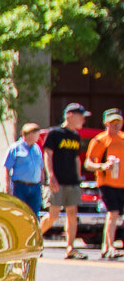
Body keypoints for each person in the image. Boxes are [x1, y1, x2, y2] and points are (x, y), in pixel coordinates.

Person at [41, 103, 89, 258]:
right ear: (70, 115)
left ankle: (70, 248)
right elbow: (48, 154)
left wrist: (78, 179)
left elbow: (76, 159)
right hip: (57, 180)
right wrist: (51, 176)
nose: (83, 120)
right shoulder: (55, 133)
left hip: (72, 181)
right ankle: (34, 238)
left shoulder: (75, 135)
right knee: (53, 214)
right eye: (81, 116)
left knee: (72, 213)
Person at [87, 107, 124, 259]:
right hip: (107, 182)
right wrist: (102, 166)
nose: (116, 125)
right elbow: (88, 163)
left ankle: (106, 246)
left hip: (122, 183)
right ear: (106, 123)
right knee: (113, 212)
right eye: (113, 122)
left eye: (119, 122)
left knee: (115, 214)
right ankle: (110, 246)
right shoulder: (99, 140)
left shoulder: (122, 138)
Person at [1, 122, 46, 216]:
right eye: (36, 134)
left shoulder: (36, 148)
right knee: (19, 212)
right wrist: (7, 186)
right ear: (29, 134)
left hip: (35, 186)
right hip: (20, 186)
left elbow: (41, 167)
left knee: (34, 214)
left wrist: (42, 184)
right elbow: (7, 168)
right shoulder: (15, 148)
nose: (38, 137)